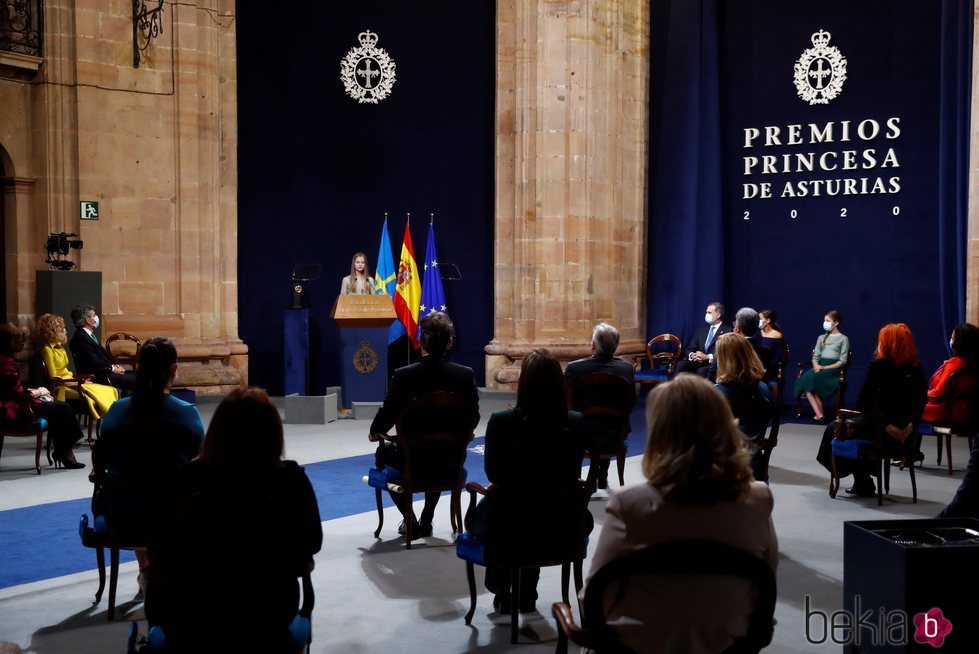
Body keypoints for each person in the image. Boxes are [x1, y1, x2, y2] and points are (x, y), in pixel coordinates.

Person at [584, 374, 777, 652]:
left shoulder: (630, 504)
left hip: (639, 645)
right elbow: (764, 583)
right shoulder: (758, 499)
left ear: (659, 432)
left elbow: (597, 594)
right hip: (727, 643)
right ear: (724, 426)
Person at [146, 388, 323, 652]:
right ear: (273, 433)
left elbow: (159, 545)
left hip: (189, 620)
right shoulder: (291, 480)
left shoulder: (184, 480)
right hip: (267, 621)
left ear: (217, 430)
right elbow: (311, 543)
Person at [471, 349, 592, 614]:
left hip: (515, 520)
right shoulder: (577, 422)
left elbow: (493, 474)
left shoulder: (502, 422)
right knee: (536, 504)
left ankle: (502, 586)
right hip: (563, 520)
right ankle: (525, 592)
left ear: (523, 383)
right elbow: (573, 469)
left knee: (508, 512)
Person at [95, 336, 205, 591]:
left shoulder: (116, 412)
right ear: (173, 370)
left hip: (123, 515)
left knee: (135, 493)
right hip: (176, 515)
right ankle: (167, 574)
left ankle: (147, 571)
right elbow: (199, 458)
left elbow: (104, 457)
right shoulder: (187, 413)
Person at [368, 312, 479, 538]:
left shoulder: (404, 376)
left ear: (421, 341)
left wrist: (375, 433)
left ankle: (411, 520)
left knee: (383, 457)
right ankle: (427, 518)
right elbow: (473, 418)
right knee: (438, 451)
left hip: (412, 462)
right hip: (450, 461)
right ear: (449, 342)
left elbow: (387, 415)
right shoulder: (464, 376)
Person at [815, 323, 926, 497]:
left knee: (835, 429)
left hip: (880, 431)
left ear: (888, 343)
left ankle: (862, 479)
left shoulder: (878, 368)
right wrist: (911, 425)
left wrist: (886, 426)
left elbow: (864, 405)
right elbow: (920, 402)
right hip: (906, 436)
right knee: (855, 427)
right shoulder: (916, 369)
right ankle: (864, 478)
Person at [0, 323, 86, 469]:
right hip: (13, 410)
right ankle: (64, 453)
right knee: (63, 408)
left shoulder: (4, 359)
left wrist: (36, 391)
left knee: (57, 408)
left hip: (12, 403)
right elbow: (18, 396)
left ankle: (63, 452)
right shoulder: (6, 363)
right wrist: (39, 392)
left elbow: (12, 389)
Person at [565, 322, 635, 489]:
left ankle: (576, 478)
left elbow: (565, 403)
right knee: (606, 423)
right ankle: (602, 475)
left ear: (593, 345)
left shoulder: (574, 368)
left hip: (580, 432)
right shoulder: (626, 369)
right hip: (614, 433)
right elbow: (630, 404)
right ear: (616, 346)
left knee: (578, 423)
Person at [34, 313, 118, 420]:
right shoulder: (47, 350)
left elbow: (66, 372)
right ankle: (109, 418)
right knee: (97, 391)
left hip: (72, 381)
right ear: (54, 330)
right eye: (62, 328)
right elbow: (54, 377)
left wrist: (79, 380)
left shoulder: (60, 348)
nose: (65, 330)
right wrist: (77, 382)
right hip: (63, 386)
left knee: (108, 390)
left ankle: (110, 418)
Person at [714, 332, 773, 481]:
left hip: (722, 466)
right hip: (754, 462)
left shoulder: (716, 393)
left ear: (724, 360)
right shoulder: (763, 389)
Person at [793, 310, 849, 423]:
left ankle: (819, 415)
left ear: (836, 323)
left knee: (817, 378)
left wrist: (824, 368)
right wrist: (816, 365)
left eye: (827, 321)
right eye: (824, 320)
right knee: (806, 379)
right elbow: (816, 356)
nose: (825, 323)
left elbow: (842, 361)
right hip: (819, 366)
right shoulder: (821, 337)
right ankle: (819, 414)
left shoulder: (844, 339)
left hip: (833, 370)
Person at [921, 323, 979, 425]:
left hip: (948, 412)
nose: (951, 340)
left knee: (909, 409)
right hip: (968, 413)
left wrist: (920, 396)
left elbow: (939, 393)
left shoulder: (954, 364)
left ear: (959, 342)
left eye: (952, 337)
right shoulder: (972, 364)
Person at [68, 305, 135, 391]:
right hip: (99, 377)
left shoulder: (87, 335)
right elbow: (93, 361)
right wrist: (113, 369)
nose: (96, 318)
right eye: (94, 315)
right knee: (140, 379)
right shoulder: (80, 337)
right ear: (88, 320)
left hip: (106, 372)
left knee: (140, 374)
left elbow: (100, 357)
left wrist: (113, 366)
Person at [706, 307, 774, 382]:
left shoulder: (726, 348)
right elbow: (767, 377)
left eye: (735, 323)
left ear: (738, 328)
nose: (734, 325)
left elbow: (712, 375)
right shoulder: (767, 351)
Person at [675, 301, 732, 376]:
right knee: (681, 364)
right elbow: (690, 348)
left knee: (702, 371)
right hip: (698, 362)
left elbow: (726, 353)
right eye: (706, 312)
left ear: (718, 315)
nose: (706, 315)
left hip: (714, 364)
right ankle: (677, 387)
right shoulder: (702, 330)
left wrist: (707, 357)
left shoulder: (728, 331)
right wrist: (692, 355)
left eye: (709, 312)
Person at [758, 309, 787, 381]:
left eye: (760, 319)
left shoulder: (777, 335)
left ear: (768, 321)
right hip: (757, 365)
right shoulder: (758, 334)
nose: (758, 321)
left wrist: (765, 366)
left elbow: (779, 356)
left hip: (770, 368)